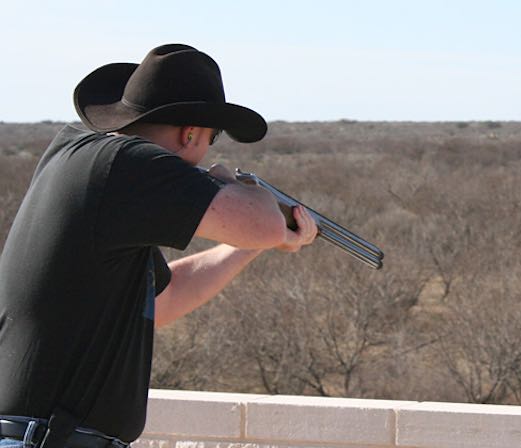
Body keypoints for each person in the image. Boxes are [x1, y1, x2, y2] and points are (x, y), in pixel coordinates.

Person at [0, 44, 317, 448]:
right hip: (46, 438)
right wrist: (250, 199)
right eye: (212, 137)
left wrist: (255, 243)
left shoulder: (101, 170)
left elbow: (162, 300)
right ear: (191, 133)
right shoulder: (123, 164)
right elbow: (260, 219)